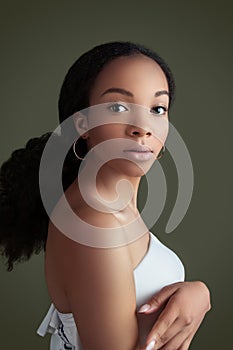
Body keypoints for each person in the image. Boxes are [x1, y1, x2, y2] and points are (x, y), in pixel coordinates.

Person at [0, 42, 211, 350]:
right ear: (83, 124)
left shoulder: (106, 208)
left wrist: (198, 293)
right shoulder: (97, 225)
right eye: (118, 107)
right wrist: (194, 302)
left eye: (157, 109)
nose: (142, 128)